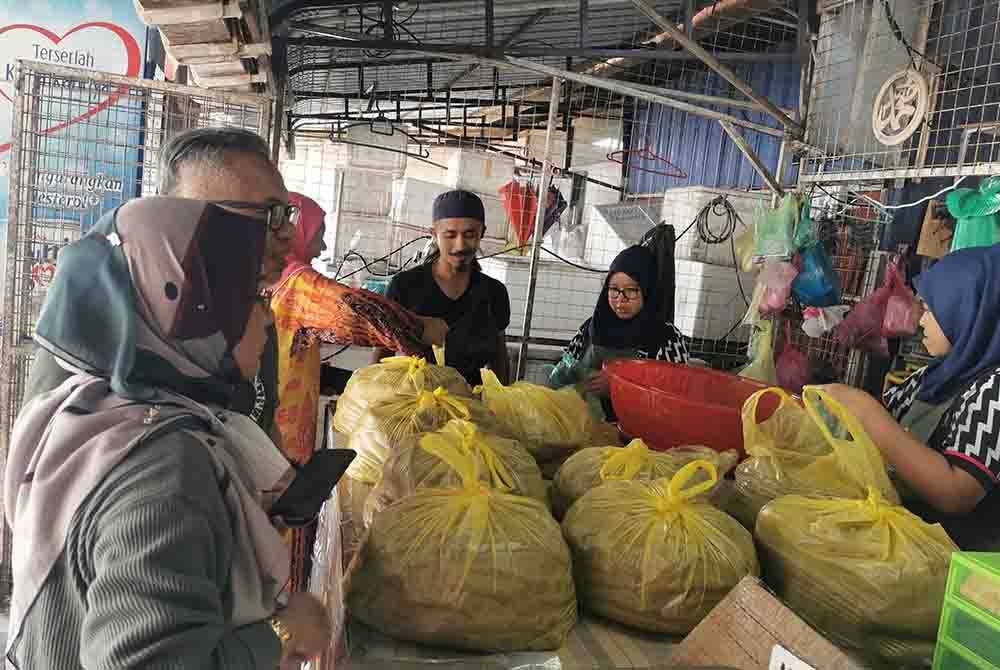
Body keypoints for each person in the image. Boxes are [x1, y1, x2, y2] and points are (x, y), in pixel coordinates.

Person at [5, 197, 330, 669]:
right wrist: (283, 633)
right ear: (186, 310)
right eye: (249, 297)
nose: (267, 318)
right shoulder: (166, 469)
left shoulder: (91, 412)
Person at [822, 244, 1000, 550]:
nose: (920, 321)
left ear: (971, 311)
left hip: (954, 565)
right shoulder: (933, 377)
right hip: (900, 543)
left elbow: (956, 493)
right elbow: (880, 429)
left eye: (931, 310)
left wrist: (867, 413)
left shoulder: (994, 390)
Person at [270, 192, 448, 465]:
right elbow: (354, 309)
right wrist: (420, 327)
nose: (322, 246)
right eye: (318, 234)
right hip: (278, 444)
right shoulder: (296, 282)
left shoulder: (268, 274)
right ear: (296, 231)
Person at [380, 190, 511, 386]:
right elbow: (382, 355)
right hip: (412, 406)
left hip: (470, 409)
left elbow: (499, 361)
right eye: (450, 235)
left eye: (470, 234)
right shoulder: (405, 286)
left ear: (482, 232)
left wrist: (502, 404)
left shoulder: (494, 293)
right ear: (434, 234)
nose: (460, 245)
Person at [549, 245, 688, 417]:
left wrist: (620, 389)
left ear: (648, 290)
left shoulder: (666, 340)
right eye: (614, 289)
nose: (620, 300)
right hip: (584, 432)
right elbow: (564, 377)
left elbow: (678, 400)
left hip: (639, 439)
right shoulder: (589, 330)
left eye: (631, 290)